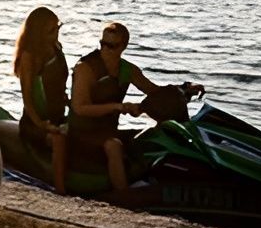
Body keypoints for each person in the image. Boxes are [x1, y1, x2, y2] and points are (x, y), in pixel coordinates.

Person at [68, 22, 203, 190]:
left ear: (123, 46)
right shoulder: (85, 68)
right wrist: (118, 107)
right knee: (114, 146)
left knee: (151, 136)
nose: (105, 49)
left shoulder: (128, 69)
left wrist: (185, 89)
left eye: (111, 45)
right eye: (103, 44)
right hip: (83, 130)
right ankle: (123, 196)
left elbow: (155, 92)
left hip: (109, 129)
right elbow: (80, 108)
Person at [14, 7, 68, 194]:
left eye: (57, 27)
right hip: (34, 123)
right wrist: (42, 124)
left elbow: (59, 86)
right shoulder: (30, 57)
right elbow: (27, 97)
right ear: (38, 33)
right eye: (51, 30)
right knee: (59, 141)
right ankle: (61, 191)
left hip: (60, 116)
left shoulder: (57, 48)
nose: (56, 33)